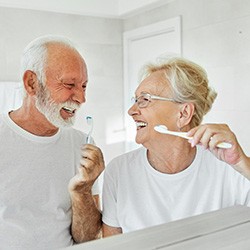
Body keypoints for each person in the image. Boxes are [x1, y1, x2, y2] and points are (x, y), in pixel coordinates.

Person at [102, 57, 250, 236]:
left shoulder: (230, 168)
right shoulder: (119, 171)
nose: (131, 110)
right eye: (135, 100)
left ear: (183, 114)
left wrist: (241, 163)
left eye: (144, 99)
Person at [0, 35, 104, 249]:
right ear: (31, 83)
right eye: (69, 84)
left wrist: (83, 190)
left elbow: (88, 239)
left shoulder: (82, 144)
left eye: (84, 86)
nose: (81, 98)